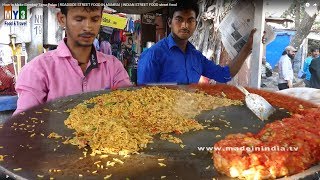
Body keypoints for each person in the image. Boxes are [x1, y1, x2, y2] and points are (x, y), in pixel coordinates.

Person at [13, 0, 131, 115]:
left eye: (95, 19)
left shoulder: (113, 67)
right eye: (79, 19)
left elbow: (129, 109)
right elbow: (23, 125)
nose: (88, 27)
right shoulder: (38, 70)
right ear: (62, 19)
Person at [137, 0, 256, 85]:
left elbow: (224, 75)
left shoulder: (195, 56)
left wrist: (246, 49)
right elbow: (143, 99)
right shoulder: (153, 55)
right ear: (169, 22)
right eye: (179, 19)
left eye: (190, 20)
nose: (184, 25)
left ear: (195, 23)